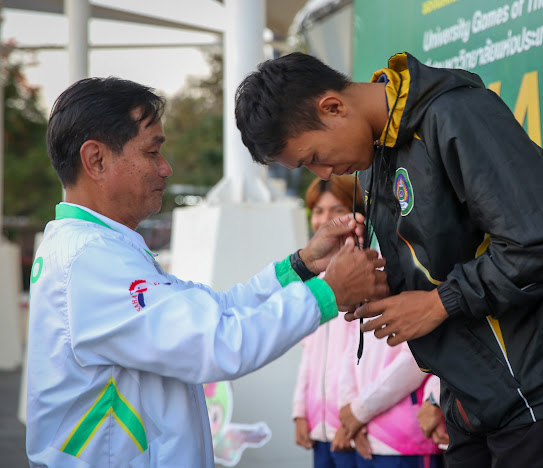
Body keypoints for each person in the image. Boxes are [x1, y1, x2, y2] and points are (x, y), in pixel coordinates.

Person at [234, 51, 543, 468]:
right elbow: (438, 265)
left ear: (333, 107)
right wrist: (373, 282)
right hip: (473, 397)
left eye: (313, 157)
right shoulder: (374, 155)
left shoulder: (456, 113)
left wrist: (439, 303)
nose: (324, 174)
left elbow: (541, 240)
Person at [26, 76, 389, 467]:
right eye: (152, 152)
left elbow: (214, 311)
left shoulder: (100, 249)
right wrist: (328, 292)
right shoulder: (90, 259)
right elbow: (218, 343)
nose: (165, 168)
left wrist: (300, 266)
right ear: (96, 160)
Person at [292, 175, 363, 468]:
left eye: (338, 210)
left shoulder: (366, 272)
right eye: (318, 211)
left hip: (357, 429)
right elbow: (309, 353)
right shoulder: (314, 280)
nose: (325, 220)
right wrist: (299, 412)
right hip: (319, 429)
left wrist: (356, 415)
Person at [334, 327, 443, 468]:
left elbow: (415, 359)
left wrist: (359, 411)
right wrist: (350, 415)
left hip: (404, 437)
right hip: (364, 436)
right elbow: (350, 355)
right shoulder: (356, 315)